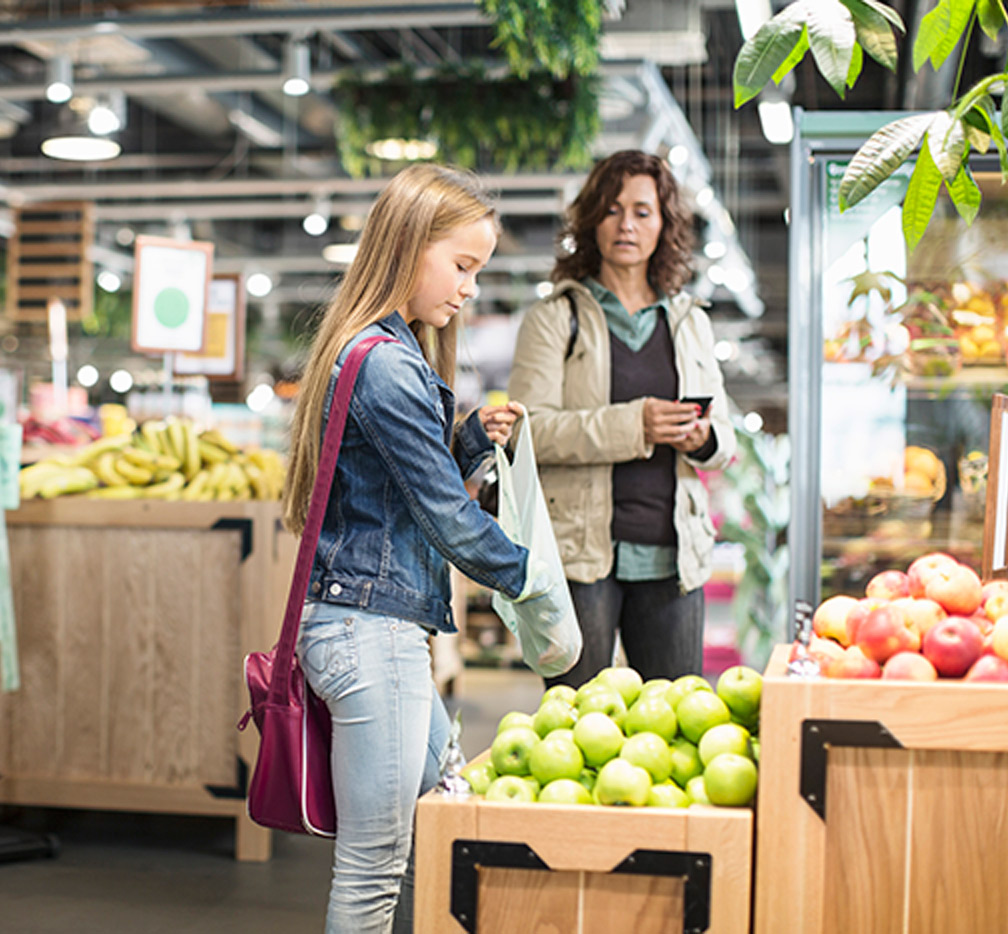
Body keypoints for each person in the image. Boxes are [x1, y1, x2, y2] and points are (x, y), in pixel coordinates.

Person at [282, 163, 564, 933]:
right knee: (375, 870)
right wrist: (534, 579)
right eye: (463, 265)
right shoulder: (389, 366)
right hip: (372, 635)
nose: (470, 288)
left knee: (451, 803)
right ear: (409, 246)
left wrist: (469, 440)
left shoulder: (370, 349)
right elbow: (445, 517)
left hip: (357, 625)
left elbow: (388, 485)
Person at [507, 149, 734, 689]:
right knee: (573, 727)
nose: (625, 224)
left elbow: (723, 440)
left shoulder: (689, 322)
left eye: (641, 211)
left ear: (664, 224)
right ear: (591, 222)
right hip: (581, 560)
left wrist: (701, 438)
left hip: (674, 557)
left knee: (679, 722)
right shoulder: (555, 318)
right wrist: (638, 426)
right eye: (611, 210)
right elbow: (528, 429)